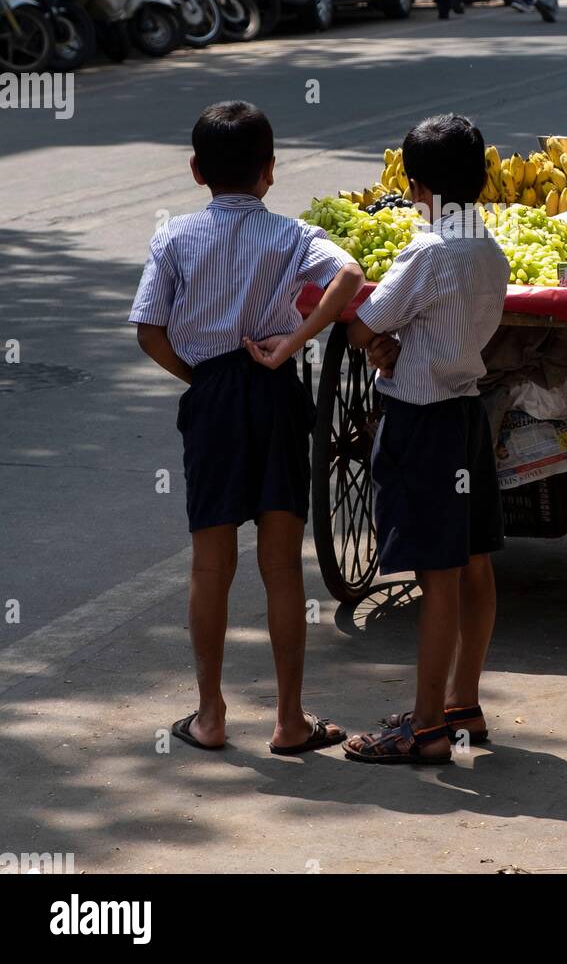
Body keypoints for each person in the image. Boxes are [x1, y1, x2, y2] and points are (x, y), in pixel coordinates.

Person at [130, 101, 367, 756]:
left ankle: (209, 716)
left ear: (196, 170)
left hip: (213, 398)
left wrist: (201, 378)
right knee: (283, 565)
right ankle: (289, 721)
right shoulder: (291, 234)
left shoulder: (174, 238)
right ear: (270, 171)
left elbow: (149, 330)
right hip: (273, 392)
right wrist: (291, 343)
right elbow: (349, 276)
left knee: (212, 565)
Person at [330, 115, 510, 765]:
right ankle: (464, 700)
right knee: (475, 560)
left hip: (424, 419)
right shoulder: (488, 247)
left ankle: (428, 726)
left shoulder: (427, 252)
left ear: (415, 186)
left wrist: (382, 346)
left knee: (438, 575)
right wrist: (399, 348)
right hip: (466, 412)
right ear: (482, 181)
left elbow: (361, 328)